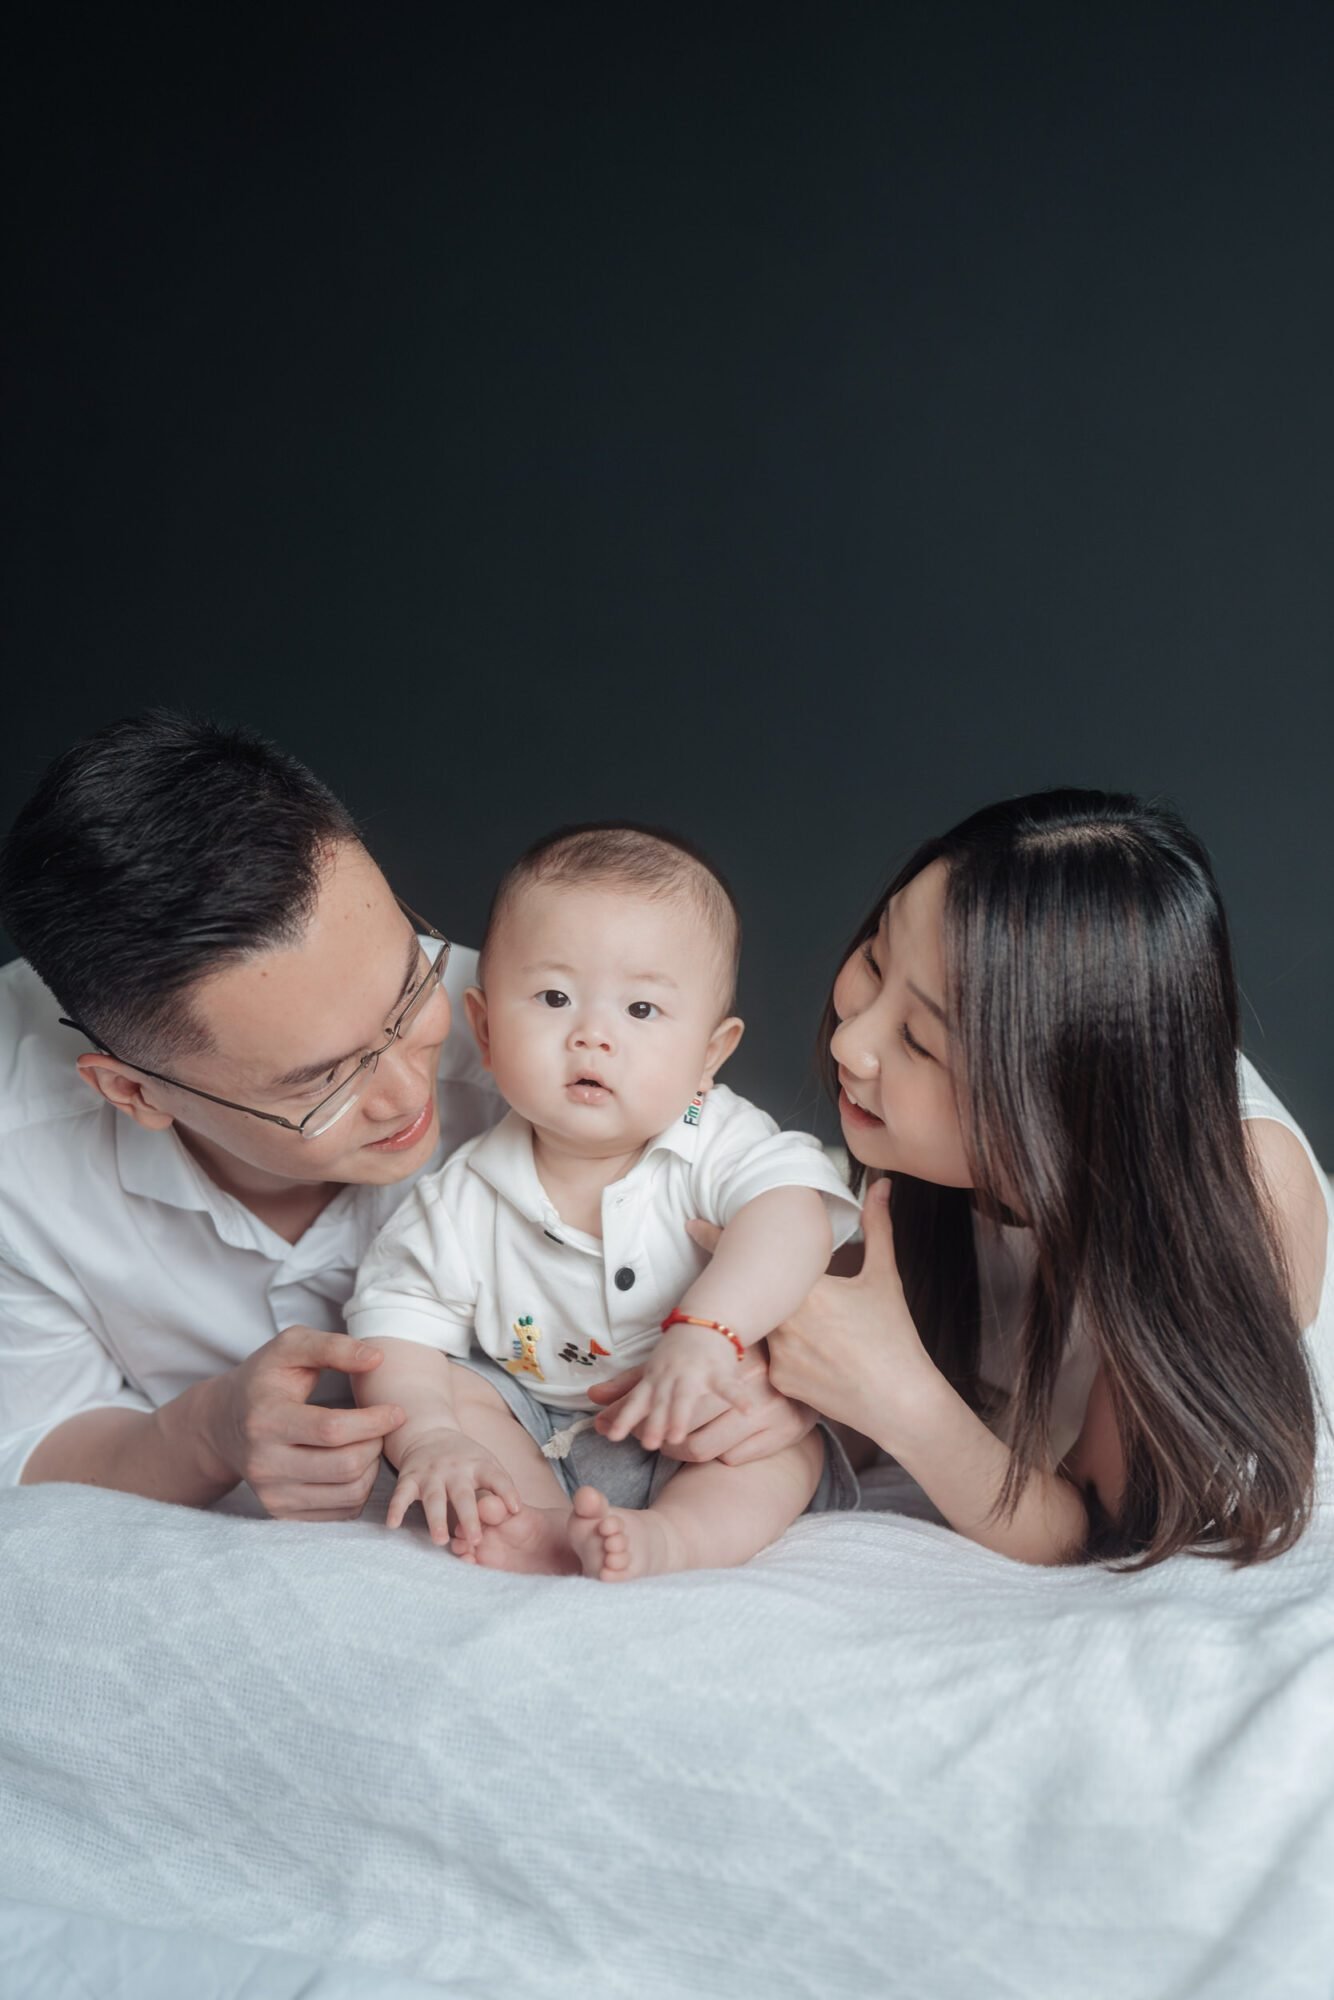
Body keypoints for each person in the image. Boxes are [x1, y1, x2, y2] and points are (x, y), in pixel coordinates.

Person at [0, 715, 815, 1515]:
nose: (404, 1092)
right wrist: (205, 1435)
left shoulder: (556, 1039)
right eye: (319, 1079)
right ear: (135, 1092)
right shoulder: (18, 1150)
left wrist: (776, 1368)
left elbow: (779, 1216)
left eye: (407, 989)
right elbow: (30, 1443)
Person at [672, 788, 1330, 1569]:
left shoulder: (1240, 1203)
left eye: (918, 1041)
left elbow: (1099, 1526)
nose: (852, 1041)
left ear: (1055, 1098)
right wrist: (803, 1394)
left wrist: (894, 1395)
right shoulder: (933, 1153)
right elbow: (884, 1341)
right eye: (876, 958)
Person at [345, 824, 863, 1580]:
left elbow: (794, 1217)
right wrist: (428, 1434)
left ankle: (673, 1540)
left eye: (643, 1011)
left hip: (697, 1416)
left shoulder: (713, 1136)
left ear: (709, 1056)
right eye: (554, 997)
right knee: (454, 1392)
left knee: (780, 1446)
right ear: (485, 1032)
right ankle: (546, 1530)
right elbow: (394, 1327)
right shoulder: (464, 1193)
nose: (592, 1036)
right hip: (535, 1421)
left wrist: (710, 1334)